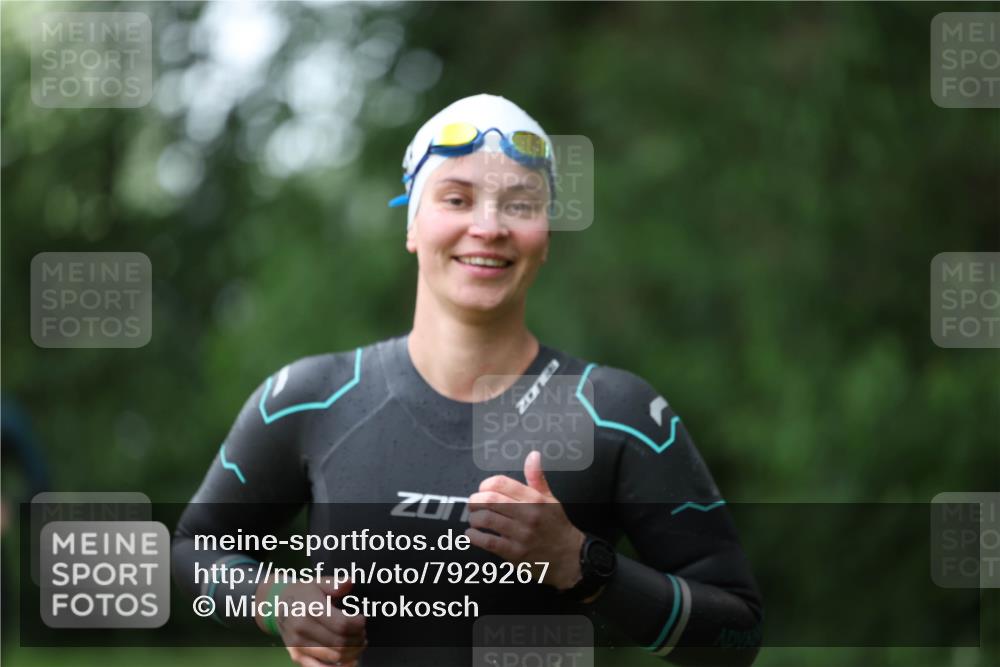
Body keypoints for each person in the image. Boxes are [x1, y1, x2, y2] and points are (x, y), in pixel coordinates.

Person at [172, 94, 763, 667]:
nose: (488, 226)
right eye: (457, 199)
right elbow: (188, 552)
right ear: (413, 224)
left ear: (546, 236)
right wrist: (276, 600)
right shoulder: (313, 399)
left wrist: (581, 565)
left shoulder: (612, 412)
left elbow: (736, 634)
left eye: (521, 204)